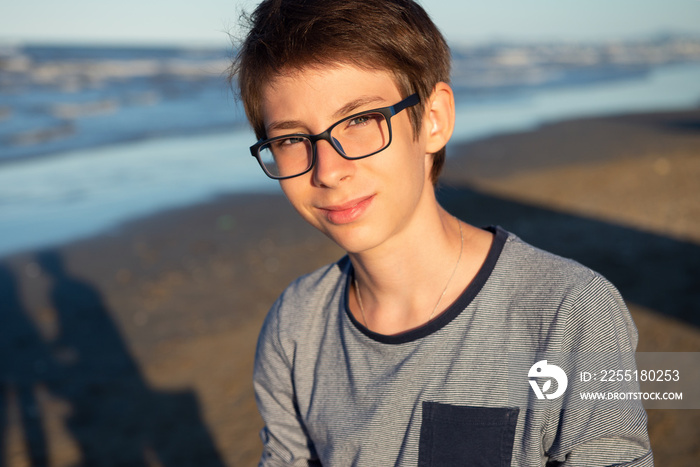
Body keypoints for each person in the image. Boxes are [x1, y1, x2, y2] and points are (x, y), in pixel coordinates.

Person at [230, 0, 654, 465]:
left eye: (360, 121)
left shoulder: (571, 314)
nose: (329, 170)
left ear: (434, 120)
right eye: (291, 139)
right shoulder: (295, 327)